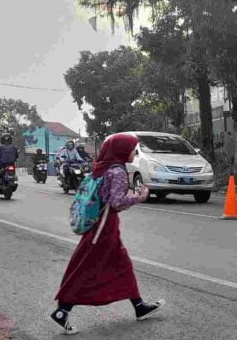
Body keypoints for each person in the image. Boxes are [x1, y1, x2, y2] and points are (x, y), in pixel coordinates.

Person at [51, 134, 163, 335]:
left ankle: (139, 306)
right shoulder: (118, 171)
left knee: (122, 264)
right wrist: (140, 197)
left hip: (101, 224)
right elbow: (117, 201)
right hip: (103, 227)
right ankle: (62, 311)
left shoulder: (101, 167)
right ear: (120, 151)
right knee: (85, 266)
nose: (134, 153)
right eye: (132, 149)